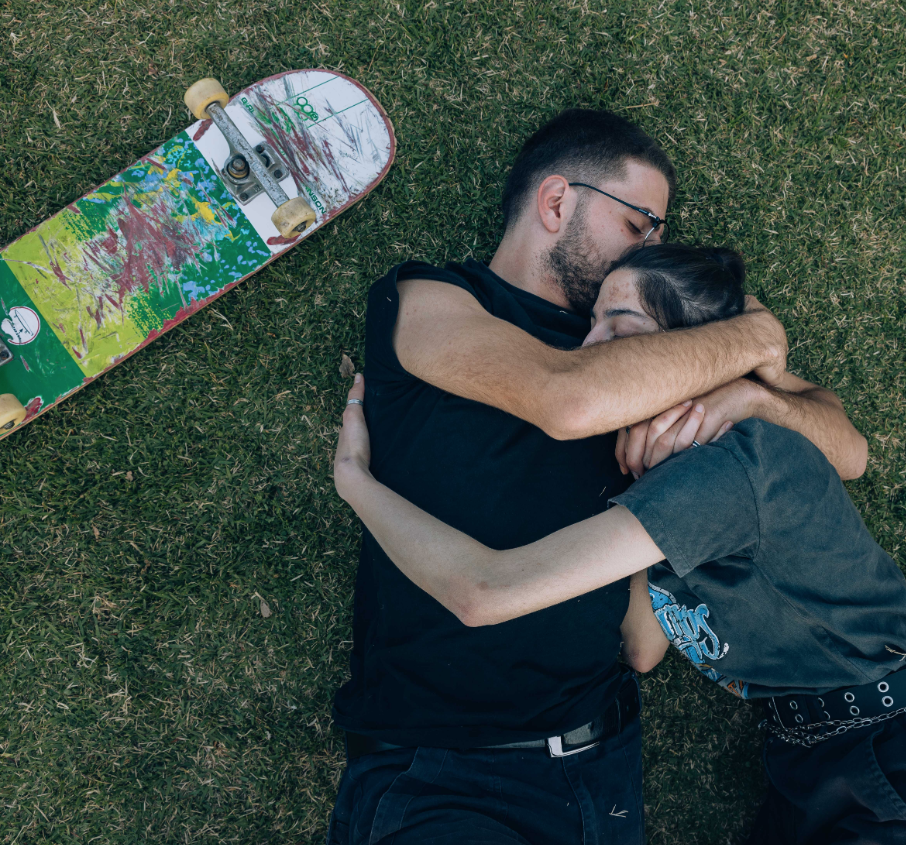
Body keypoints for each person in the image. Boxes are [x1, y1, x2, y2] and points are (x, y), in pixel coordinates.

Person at [333, 244, 906, 845]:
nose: (586, 345)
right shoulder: (676, 478)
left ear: (683, 354)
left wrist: (358, 484)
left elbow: (485, 593)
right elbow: (642, 644)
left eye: (618, 326)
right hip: (813, 759)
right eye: (593, 320)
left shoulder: (729, 471)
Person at [327, 109, 868, 844]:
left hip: (600, 765)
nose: (655, 246)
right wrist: (754, 335)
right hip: (445, 771)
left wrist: (751, 393)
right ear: (557, 203)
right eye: (641, 223)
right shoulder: (432, 300)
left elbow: (845, 452)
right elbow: (567, 399)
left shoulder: (663, 343)